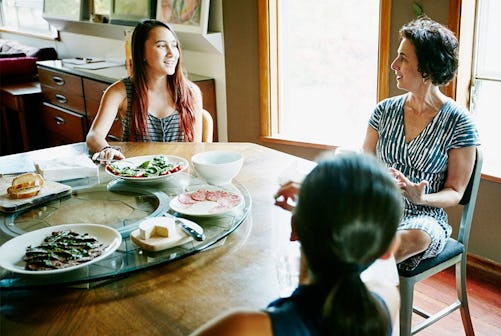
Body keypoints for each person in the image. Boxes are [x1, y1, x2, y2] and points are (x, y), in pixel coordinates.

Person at [191, 153, 404, 336]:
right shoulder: (386, 302)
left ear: (295, 228)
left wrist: (312, 204)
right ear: (389, 249)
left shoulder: (245, 327)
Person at [362, 15, 480, 272]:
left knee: (406, 240)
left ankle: (340, 293)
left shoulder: (460, 123)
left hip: (423, 218)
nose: (394, 65)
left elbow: (455, 192)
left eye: (403, 58)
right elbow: (364, 165)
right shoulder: (383, 111)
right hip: (376, 208)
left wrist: (422, 197)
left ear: (427, 67)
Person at [87, 19, 203, 162]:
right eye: (161, 46)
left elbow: (195, 149)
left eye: (174, 45)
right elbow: (94, 135)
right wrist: (105, 149)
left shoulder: (191, 92)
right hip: (137, 175)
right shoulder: (120, 92)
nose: (172, 53)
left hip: (180, 175)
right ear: (141, 53)